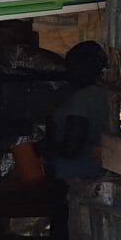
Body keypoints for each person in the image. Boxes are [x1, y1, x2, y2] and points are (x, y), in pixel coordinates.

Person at [47, 42, 110, 182]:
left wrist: (45, 146)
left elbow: (71, 148)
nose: (68, 72)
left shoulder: (81, 99)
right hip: (96, 170)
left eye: (72, 67)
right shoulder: (102, 94)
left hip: (76, 175)